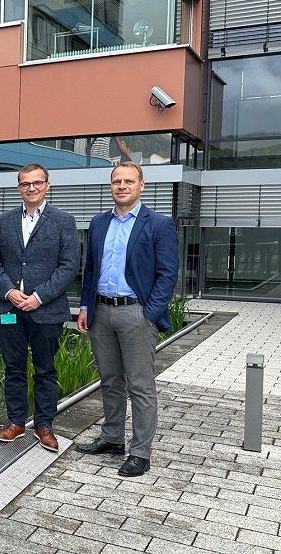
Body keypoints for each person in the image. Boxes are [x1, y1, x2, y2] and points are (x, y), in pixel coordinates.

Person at [76, 161, 179, 477]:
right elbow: (90, 268)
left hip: (136, 313)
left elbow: (168, 274)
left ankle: (140, 453)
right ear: (111, 186)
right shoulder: (98, 223)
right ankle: (111, 438)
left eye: (128, 181)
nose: (122, 186)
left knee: (140, 385)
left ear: (141, 185)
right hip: (101, 312)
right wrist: (84, 307)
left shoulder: (159, 224)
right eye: (116, 181)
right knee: (109, 381)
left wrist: (150, 314)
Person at [0, 163, 80, 452]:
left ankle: (44, 425)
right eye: (25, 184)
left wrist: (38, 296)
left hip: (46, 310)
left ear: (47, 185)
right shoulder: (3, 221)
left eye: (37, 183)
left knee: (45, 370)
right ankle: (16, 422)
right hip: (10, 308)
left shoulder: (64, 221)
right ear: (19, 188)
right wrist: (10, 291)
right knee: (13, 367)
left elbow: (69, 266)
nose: (31, 188)